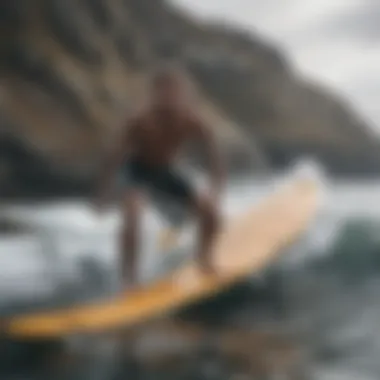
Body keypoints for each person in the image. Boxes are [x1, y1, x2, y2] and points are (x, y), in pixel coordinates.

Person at [94, 66, 225, 288]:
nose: (169, 98)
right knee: (133, 214)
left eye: (175, 92)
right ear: (153, 95)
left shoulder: (193, 121)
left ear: (184, 95)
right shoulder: (140, 121)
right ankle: (129, 278)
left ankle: (204, 258)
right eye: (163, 92)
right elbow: (115, 157)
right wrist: (104, 192)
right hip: (136, 171)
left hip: (165, 171)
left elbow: (213, 154)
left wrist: (215, 189)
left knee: (210, 212)